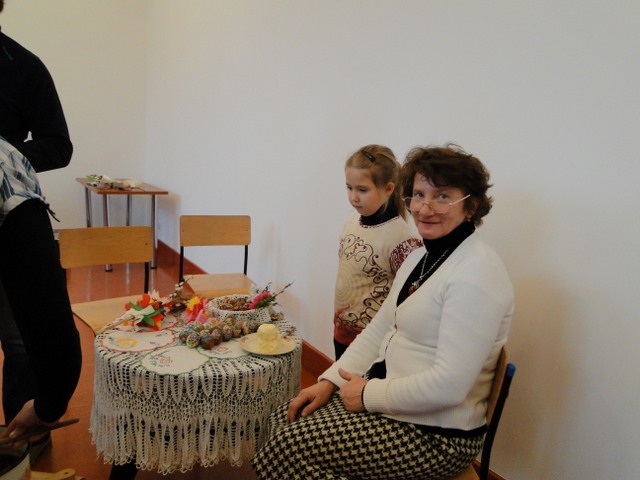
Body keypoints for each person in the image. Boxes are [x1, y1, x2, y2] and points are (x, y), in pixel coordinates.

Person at [252, 144, 514, 479]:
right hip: (396, 402)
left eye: (442, 196)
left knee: (288, 446)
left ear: (471, 206)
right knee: (282, 419)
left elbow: (450, 386)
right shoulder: (422, 257)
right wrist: (330, 380)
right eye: (419, 194)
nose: (424, 208)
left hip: (437, 436)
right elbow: (378, 330)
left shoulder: (477, 273)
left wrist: (366, 394)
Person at [0, 0, 82, 464]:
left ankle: (24, 440)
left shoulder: (24, 66)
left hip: (8, 226)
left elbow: (58, 145)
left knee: (21, 344)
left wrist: (5, 156)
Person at [333, 145, 422, 360]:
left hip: (372, 342)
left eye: (362, 190)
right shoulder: (351, 222)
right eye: (349, 188)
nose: (353, 197)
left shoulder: (402, 239)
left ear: (388, 188)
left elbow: (411, 297)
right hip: (341, 332)